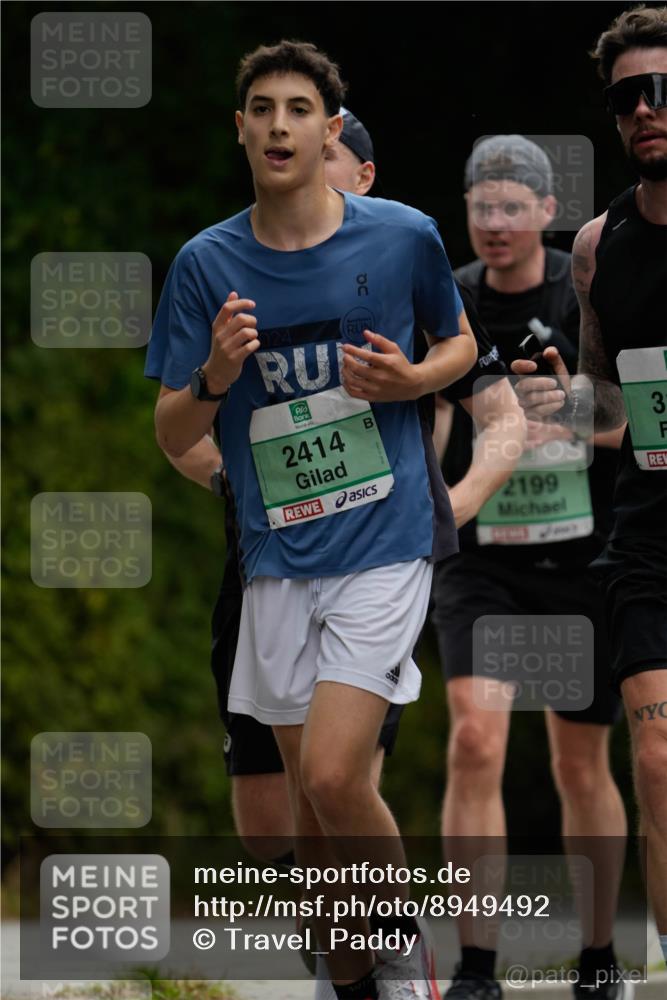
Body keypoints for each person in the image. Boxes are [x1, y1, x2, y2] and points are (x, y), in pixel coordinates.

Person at [149, 39, 478, 1000]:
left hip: (384, 539)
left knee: (337, 777)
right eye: (263, 108)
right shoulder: (206, 264)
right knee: (305, 810)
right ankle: (350, 981)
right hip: (275, 556)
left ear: (329, 130)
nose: (280, 125)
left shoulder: (403, 235)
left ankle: (405, 958)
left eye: (300, 109)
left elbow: (458, 343)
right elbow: (171, 426)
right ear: (241, 128)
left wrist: (413, 378)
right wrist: (213, 375)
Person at [432, 134, 629, 1000]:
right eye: (482, 206)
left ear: (549, 213)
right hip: (482, 560)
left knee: (580, 766)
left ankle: (597, 957)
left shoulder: (580, 285)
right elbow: (433, 419)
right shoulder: (446, 298)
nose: (496, 223)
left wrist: (573, 411)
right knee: (474, 741)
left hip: (581, 555)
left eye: (514, 206)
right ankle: (477, 968)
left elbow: (626, 420)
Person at [511, 5, 667, 972]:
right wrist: (550, 402)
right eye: (627, 97)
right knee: (654, 758)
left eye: (663, 90)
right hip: (648, 537)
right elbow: (607, 414)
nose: (647, 109)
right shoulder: (599, 247)